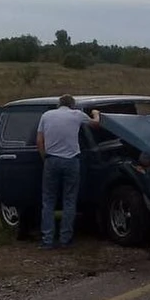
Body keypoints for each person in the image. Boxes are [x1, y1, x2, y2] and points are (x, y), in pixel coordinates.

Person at [35, 95, 100, 249]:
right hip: (71, 161)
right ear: (73, 105)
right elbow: (96, 125)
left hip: (52, 160)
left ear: (58, 104)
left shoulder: (46, 115)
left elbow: (39, 141)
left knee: (48, 201)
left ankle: (47, 240)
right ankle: (65, 239)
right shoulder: (77, 115)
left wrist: (46, 159)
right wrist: (96, 113)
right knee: (69, 200)